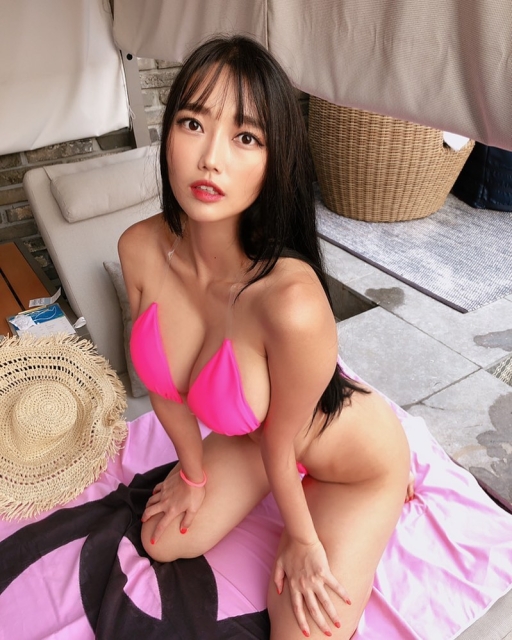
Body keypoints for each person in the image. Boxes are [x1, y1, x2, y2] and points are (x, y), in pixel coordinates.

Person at [119, 35, 412, 640]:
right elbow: (162, 386)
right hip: (259, 439)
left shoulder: (290, 301)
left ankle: (390, 474)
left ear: (275, 162)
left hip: (348, 460)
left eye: (246, 137)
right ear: (168, 134)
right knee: (160, 541)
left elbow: (283, 443)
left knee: (305, 632)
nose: (211, 159)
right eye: (193, 123)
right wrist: (193, 472)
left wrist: (302, 539)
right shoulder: (140, 249)